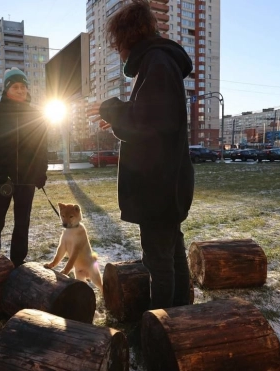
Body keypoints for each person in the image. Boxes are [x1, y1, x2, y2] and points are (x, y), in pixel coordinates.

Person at [87, 0, 194, 309]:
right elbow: (147, 125)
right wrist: (118, 120)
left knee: (159, 262)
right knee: (171, 251)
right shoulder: (156, 62)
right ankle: (181, 320)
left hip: (159, 186)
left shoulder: (156, 62)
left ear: (127, 37)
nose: (117, 50)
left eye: (117, 43)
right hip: (165, 183)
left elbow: (154, 122)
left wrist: (112, 108)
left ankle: (163, 328)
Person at [0, 67, 48, 267]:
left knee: (22, 224)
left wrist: (40, 172)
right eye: (15, 86)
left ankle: (18, 264)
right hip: (1, 181)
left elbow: (42, 146)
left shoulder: (36, 114)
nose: (20, 90)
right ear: (7, 89)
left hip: (26, 181)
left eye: (23, 87)